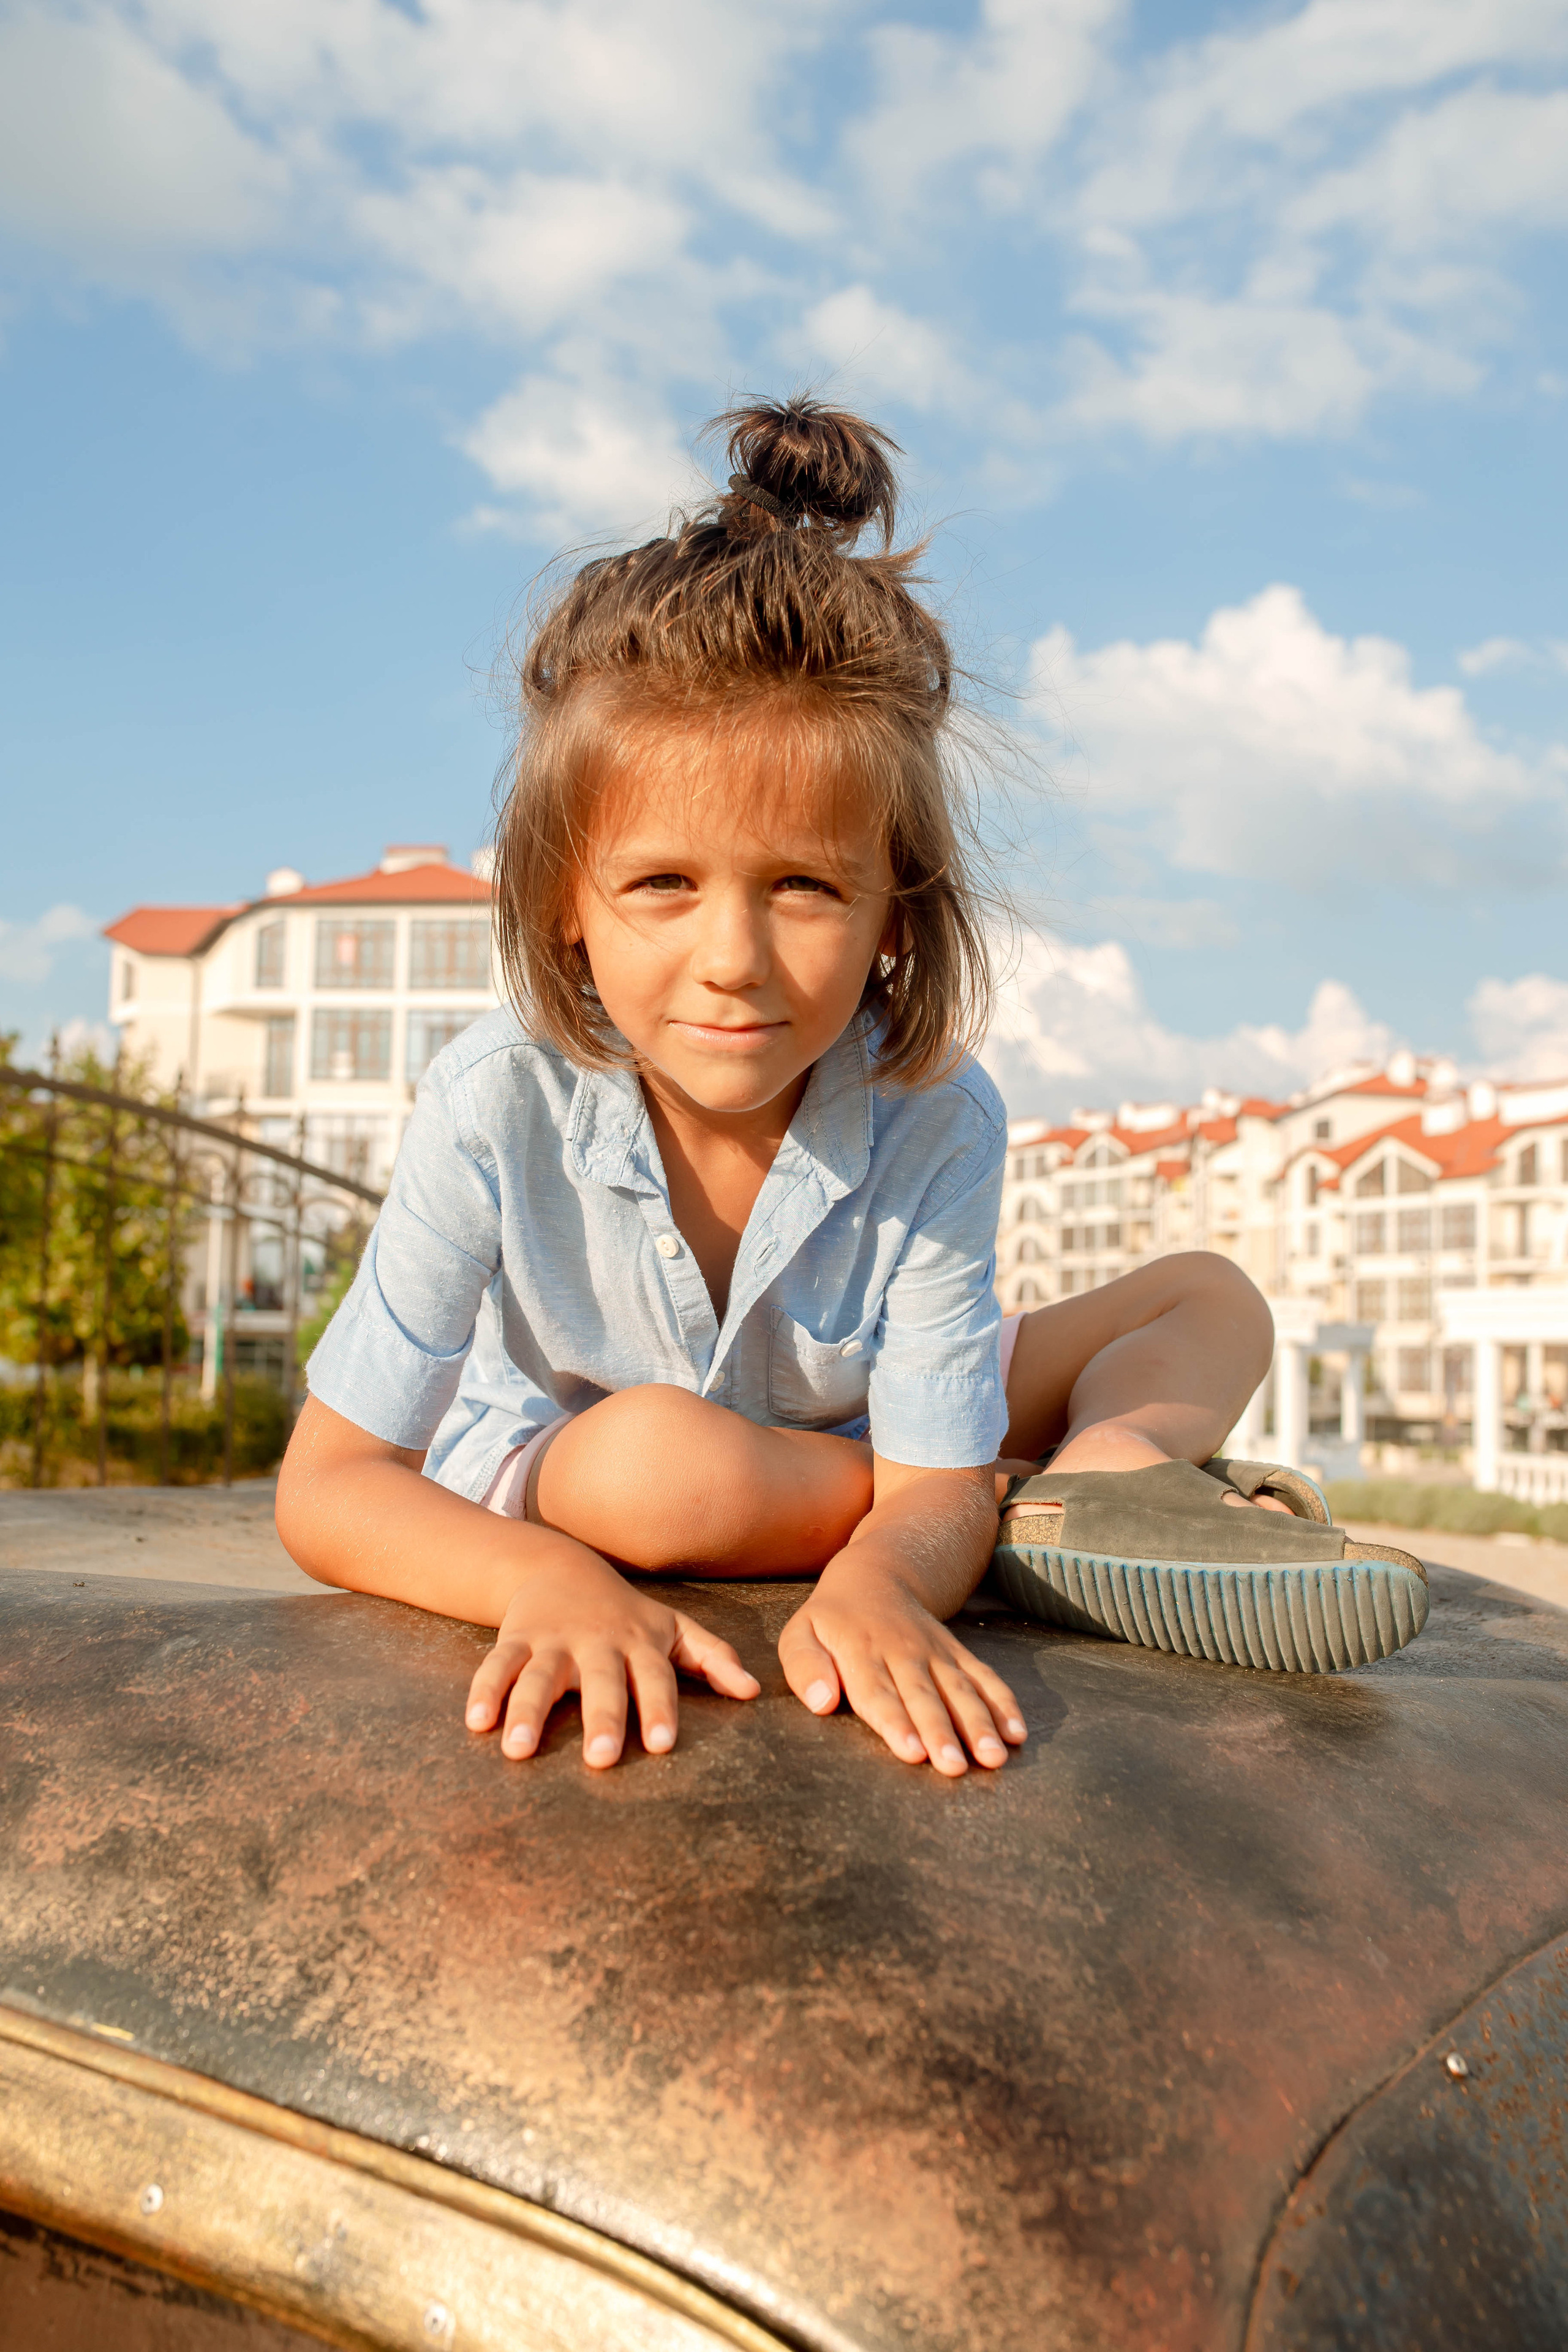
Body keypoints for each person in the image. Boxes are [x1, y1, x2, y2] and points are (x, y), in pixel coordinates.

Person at [276, 394, 1304, 1780]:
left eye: (804, 888)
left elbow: (924, 1469)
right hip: (607, 1464)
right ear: (565, 903)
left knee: (1209, 1298)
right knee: (657, 1470)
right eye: (661, 886)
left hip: (877, 1433)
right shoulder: (492, 1101)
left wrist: (886, 1575)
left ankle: (1092, 1494)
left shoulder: (936, 1112)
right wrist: (537, 1580)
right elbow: (332, 1486)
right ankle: (1040, 1507)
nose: (732, 961)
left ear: (895, 911)